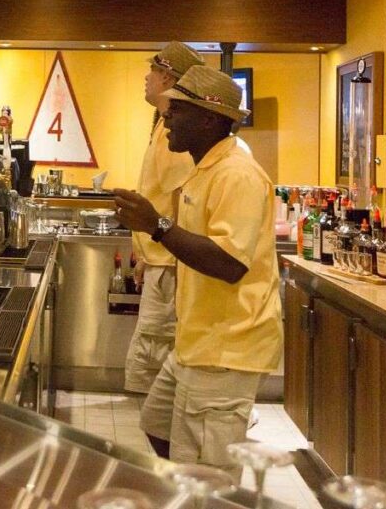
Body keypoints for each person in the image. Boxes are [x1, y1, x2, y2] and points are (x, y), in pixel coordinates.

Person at [112, 65, 283, 476]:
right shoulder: (202, 169)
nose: (166, 118)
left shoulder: (236, 175)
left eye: (178, 111)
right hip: (197, 341)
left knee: (211, 473)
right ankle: (181, 491)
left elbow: (229, 263)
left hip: (227, 346)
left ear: (209, 118)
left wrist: (157, 225)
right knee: (156, 422)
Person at [124, 42, 204, 396]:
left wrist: (160, 249)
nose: (146, 78)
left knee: (154, 358)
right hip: (161, 258)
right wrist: (143, 253)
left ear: (167, 76)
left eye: (152, 71)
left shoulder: (176, 132)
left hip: (170, 265)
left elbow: (180, 201)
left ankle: (158, 442)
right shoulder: (162, 123)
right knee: (151, 355)